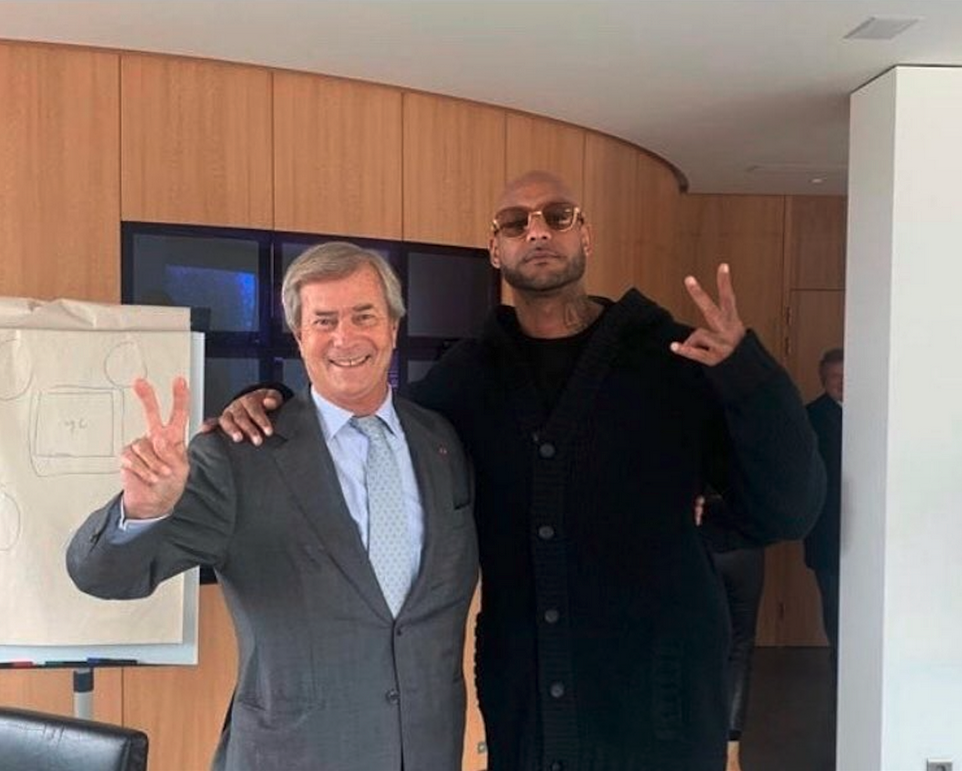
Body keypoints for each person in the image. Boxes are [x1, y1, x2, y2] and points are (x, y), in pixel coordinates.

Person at [214, 171, 825, 770]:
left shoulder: (673, 359)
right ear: (495, 248)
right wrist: (271, 402)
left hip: (663, 705)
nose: (537, 231)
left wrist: (750, 375)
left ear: (585, 235)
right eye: (515, 222)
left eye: (557, 216)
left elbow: (788, 509)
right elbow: (369, 419)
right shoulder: (465, 379)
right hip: (530, 714)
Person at [66, 243, 479, 771]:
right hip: (291, 755)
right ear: (300, 337)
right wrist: (144, 509)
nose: (345, 337)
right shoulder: (239, 456)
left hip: (428, 753)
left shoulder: (441, 443)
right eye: (324, 321)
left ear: (393, 328)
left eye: (364, 316)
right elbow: (101, 575)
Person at [698, 494, 766, 771]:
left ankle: (696, 744)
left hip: (696, 541)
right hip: (744, 543)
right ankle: (731, 757)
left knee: (691, 643)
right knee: (740, 645)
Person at [804, 347, 843, 675]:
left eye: (848, 376)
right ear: (823, 380)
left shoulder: (879, 412)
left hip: (873, 527)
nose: (842, 383)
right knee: (833, 598)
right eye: (834, 377)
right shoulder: (809, 417)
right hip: (827, 525)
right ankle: (840, 660)